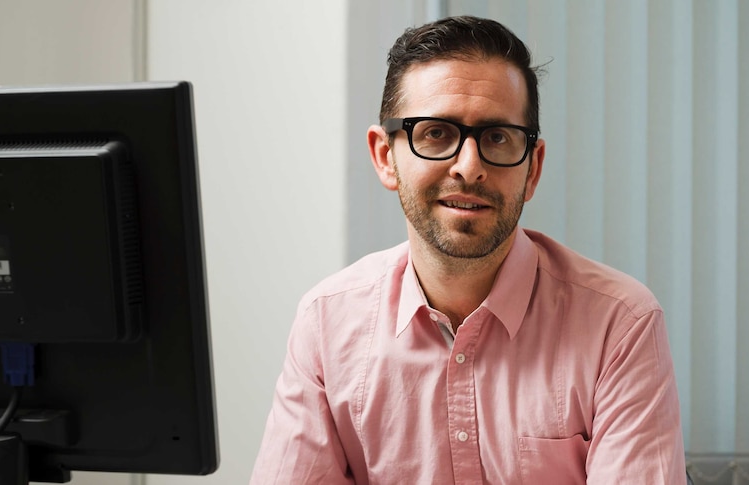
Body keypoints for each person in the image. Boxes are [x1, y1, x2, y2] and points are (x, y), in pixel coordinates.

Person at [251, 15, 686, 484]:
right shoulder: (326, 323)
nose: (469, 166)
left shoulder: (618, 325)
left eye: (497, 137)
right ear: (385, 156)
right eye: (436, 133)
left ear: (533, 169)